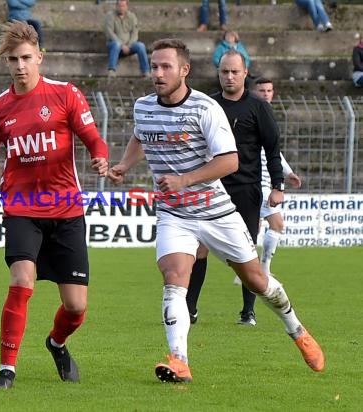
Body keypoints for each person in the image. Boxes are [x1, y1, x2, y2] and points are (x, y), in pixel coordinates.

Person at [108, 38, 324, 383]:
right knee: (174, 277)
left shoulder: (206, 108)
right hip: (174, 214)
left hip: (217, 212)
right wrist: (123, 165)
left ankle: (296, 328)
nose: (158, 74)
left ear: (184, 70)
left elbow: (230, 160)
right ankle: (179, 360)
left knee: (256, 280)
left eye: (166, 67)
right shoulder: (143, 106)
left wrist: (185, 179)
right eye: (154, 66)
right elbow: (141, 136)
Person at [0, 21, 109, 390]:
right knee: (22, 279)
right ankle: (7, 370)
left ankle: (56, 343)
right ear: (5, 62)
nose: (19, 65)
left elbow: (94, 139)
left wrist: (100, 158)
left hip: (67, 209)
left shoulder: (66, 95)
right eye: (12, 59)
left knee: (76, 308)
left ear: (40, 57)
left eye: (25, 58)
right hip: (21, 208)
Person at [185, 50, 286, 327]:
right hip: (210, 186)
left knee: (246, 251)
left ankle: (247, 312)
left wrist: (277, 186)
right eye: (224, 72)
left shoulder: (258, 106)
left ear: (245, 73)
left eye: (234, 72)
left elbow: (272, 147)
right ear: (218, 73)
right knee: (199, 248)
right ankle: (189, 310)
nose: (229, 77)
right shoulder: (207, 104)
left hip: (246, 189)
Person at [252, 77, 302, 277]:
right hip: (253, 180)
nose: (265, 94)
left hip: (264, 181)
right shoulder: (253, 113)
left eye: (269, 90)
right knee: (273, 224)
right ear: (254, 92)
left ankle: (251, 270)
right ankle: (259, 269)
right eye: (261, 90)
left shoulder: (268, 116)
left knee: (256, 227)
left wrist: (288, 172)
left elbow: (274, 152)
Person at [104, 0, 150, 79]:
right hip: (114, 45)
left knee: (140, 46)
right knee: (116, 45)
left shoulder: (132, 16)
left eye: (123, 6)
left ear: (127, 6)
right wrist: (122, 45)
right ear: (116, 6)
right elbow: (110, 33)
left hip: (129, 45)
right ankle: (111, 71)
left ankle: (146, 72)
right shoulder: (110, 16)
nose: (121, 8)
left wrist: (129, 45)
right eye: (119, 6)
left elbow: (135, 33)